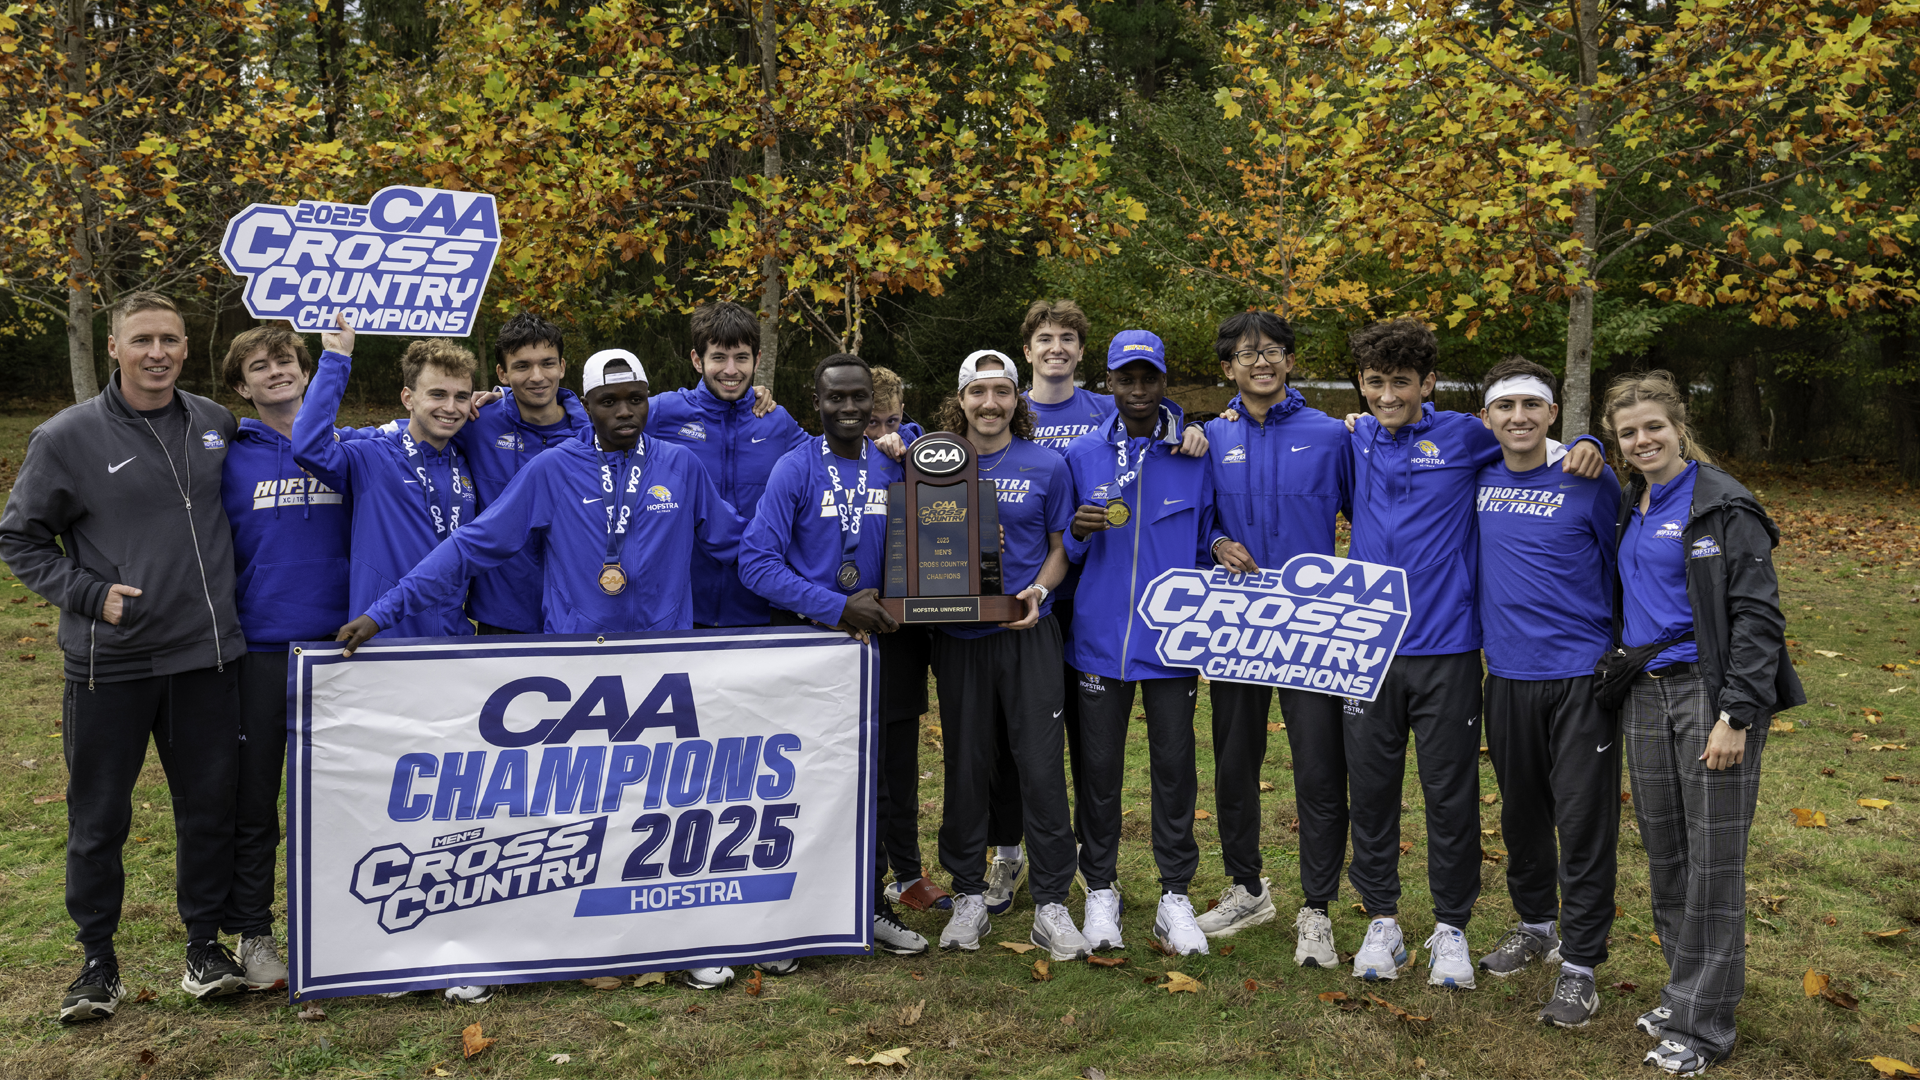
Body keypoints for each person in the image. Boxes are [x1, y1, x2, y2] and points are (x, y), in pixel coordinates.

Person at [0, 291, 251, 1020]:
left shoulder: (213, 423)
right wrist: (87, 593)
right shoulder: (65, 437)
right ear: (113, 347)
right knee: (99, 817)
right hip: (109, 667)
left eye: (170, 339)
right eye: (142, 339)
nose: (158, 353)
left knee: (208, 809)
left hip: (206, 660)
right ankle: (96, 964)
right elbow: (18, 538)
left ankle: (204, 948)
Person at [1341, 317, 1605, 988]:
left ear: (1428, 383)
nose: (1388, 396)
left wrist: (1586, 441)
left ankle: (1451, 927)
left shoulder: (1465, 434)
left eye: (1402, 382)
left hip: (1449, 651)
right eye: (1376, 383)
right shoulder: (1356, 436)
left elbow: (1530, 443)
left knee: (1450, 796)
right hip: (1367, 648)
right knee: (1371, 794)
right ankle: (1382, 921)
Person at [1604, 372, 1803, 1076]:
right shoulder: (1636, 498)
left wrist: (1736, 714)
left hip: (1709, 697)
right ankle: (1683, 991)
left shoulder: (1724, 505)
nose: (1642, 440)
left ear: (1680, 426)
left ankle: (1705, 1028)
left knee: (1714, 866)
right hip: (1646, 695)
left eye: (1653, 426)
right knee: (1668, 857)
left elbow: (1759, 618)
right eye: (1628, 432)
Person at [217, 322, 390, 993]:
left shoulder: (358, 448)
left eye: (286, 360)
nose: (275, 372)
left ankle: (358, 925)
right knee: (257, 797)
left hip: (344, 649)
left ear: (308, 368)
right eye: (258, 366)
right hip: (262, 648)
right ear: (241, 385)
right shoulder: (228, 453)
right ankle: (254, 934)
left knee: (354, 797)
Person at [737, 352, 928, 958]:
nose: (848, 409)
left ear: (874, 403)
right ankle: (795, 916)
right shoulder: (794, 470)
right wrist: (834, 606)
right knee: (810, 785)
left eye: (858, 399)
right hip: (815, 650)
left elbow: (936, 534)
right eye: (835, 398)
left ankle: (870, 907)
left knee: (881, 784)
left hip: (886, 650)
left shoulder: (893, 466)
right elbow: (755, 563)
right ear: (816, 402)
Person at [1193, 312, 1354, 967]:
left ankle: (1317, 907)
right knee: (1235, 763)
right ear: (1228, 368)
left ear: (1290, 361)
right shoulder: (1206, 438)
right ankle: (1246, 887)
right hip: (1237, 626)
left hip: (1312, 627)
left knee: (1319, 769)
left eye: (1272, 352)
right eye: (1244, 354)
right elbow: (1194, 518)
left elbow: (1369, 515)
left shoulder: (1332, 435)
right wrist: (1215, 542)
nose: (1259, 361)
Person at [1061, 330, 1225, 957]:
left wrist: (1215, 547)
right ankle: (1100, 886)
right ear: (1107, 382)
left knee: (1175, 771)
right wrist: (1076, 531)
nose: (1136, 391)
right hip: (1099, 644)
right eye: (1124, 379)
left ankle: (1174, 894)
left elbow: (1209, 527)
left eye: (1147, 379)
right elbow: (1063, 548)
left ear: (1163, 383)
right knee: (1098, 773)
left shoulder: (1191, 451)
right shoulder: (1081, 455)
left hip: (1171, 646)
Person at [1469, 357, 1622, 1027]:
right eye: (1505, 407)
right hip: (1504, 674)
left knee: (1583, 820)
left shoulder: (1589, 479)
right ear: (1487, 420)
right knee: (1521, 813)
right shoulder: (1476, 477)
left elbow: (1626, 566)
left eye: (1532, 405)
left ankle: (1581, 966)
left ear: (1554, 415)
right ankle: (1537, 925)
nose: (1519, 417)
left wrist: (1616, 657)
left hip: (1581, 677)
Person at [923, 351, 1084, 958]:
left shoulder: (1047, 464)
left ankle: (1050, 900)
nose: (989, 404)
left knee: (1040, 764)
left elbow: (1059, 544)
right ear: (960, 399)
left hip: (1026, 633)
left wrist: (1039, 591)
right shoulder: (932, 461)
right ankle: (968, 893)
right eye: (978, 392)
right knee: (966, 764)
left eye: (1002, 392)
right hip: (958, 636)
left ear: (1017, 400)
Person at [293, 317, 478, 641]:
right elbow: (309, 446)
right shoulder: (372, 456)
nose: (451, 407)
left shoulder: (466, 462)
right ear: (408, 398)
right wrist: (337, 357)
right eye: (437, 394)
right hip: (382, 639)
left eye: (462, 396)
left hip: (453, 640)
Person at [646, 301, 809, 629]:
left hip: (760, 611)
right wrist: (509, 399)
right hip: (682, 613)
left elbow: (832, 458)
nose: (731, 370)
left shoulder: (777, 421)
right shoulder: (664, 412)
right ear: (697, 359)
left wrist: (892, 438)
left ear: (757, 360)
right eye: (719, 357)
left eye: (742, 358)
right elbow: (591, 429)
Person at [455, 313, 593, 635]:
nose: (537, 376)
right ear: (502, 373)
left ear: (562, 366)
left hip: (577, 618)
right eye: (522, 366)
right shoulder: (477, 423)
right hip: (502, 616)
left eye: (547, 363)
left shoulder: (593, 436)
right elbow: (419, 431)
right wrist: (340, 438)